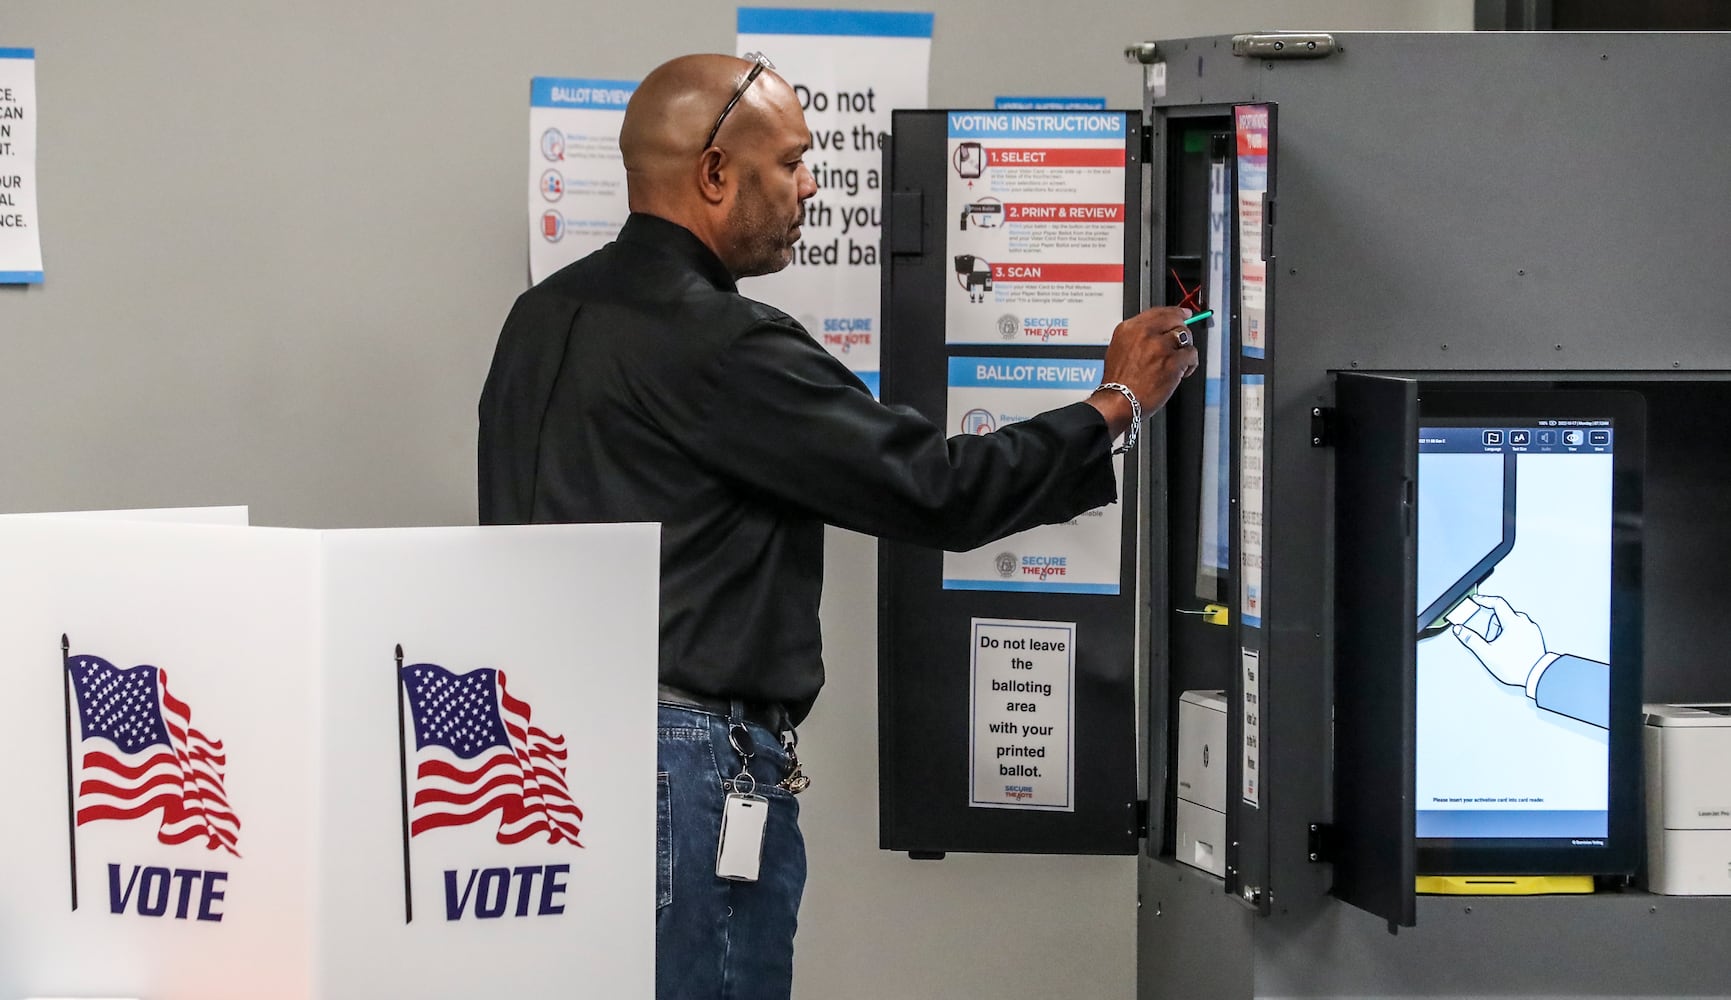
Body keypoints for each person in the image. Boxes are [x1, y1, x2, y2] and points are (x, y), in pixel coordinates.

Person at [477, 52, 1197, 1000]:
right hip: (688, 777)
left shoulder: (542, 315)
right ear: (713, 174)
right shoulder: (727, 345)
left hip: (551, 762)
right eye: (790, 162)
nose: (812, 185)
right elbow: (940, 490)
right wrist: (1116, 403)